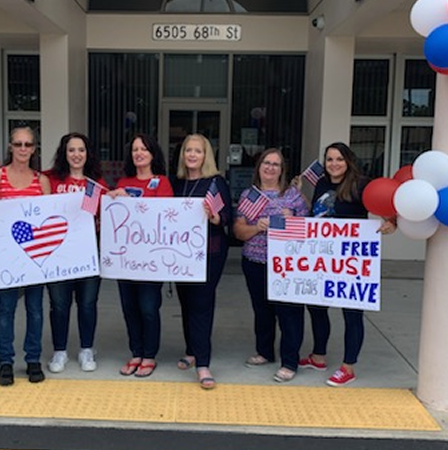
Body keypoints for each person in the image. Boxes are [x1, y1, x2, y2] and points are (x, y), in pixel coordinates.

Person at [296, 142, 396, 386]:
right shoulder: (322, 183)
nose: (334, 164)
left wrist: (391, 222)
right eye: (329, 159)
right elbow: (317, 214)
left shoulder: (361, 184)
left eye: (339, 159)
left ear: (348, 160)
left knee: (352, 313)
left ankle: (348, 367)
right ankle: (319, 355)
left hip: (350, 260)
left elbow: (383, 206)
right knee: (317, 307)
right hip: (322, 257)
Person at [0, 126, 52, 386]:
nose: (23, 149)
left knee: (35, 309)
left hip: (34, 256)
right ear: (10, 146)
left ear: (34, 149)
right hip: (6, 257)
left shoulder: (41, 181)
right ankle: (6, 362)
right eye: (18, 144)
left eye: (28, 145)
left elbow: (49, 217)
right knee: (6, 309)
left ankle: (33, 359)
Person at [233, 148, 309, 383]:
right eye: (266, 163)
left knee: (289, 313)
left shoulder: (293, 196)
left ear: (282, 170)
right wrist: (257, 227)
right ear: (259, 167)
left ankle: (289, 361)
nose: (270, 167)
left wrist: (292, 218)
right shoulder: (249, 195)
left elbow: (308, 229)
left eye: (276, 164)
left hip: (286, 264)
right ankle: (265, 351)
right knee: (262, 311)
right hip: (255, 262)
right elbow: (238, 231)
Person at [107, 134, 174, 378]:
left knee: (148, 308)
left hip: (151, 261)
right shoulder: (123, 181)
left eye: (144, 149)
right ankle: (136, 352)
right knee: (129, 307)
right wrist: (114, 198)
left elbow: (163, 216)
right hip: (126, 259)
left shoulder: (162, 182)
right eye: (135, 149)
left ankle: (149, 355)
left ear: (153, 154)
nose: (139, 153)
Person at [171, 134, 231, 390]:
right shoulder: (176, 182)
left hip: (210, 253)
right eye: (188, 150)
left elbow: (228, 216)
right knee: (186, 301)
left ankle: (203, 364)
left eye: (198, 151)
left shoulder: (216, 183)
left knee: (202, 303)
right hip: (180, 253)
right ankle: (191, 349)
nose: (192, 155)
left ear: (206, 155)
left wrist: (215, 217)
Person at [45, 132, 108, 374]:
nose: (76, 155)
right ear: (64, 153)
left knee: (88, 304)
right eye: (71, 150)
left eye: (81, 150)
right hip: (57, 254)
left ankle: (86, 349)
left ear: (87, 153)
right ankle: (59, 350)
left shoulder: (96, 183)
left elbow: (107, 215)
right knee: (59, 305)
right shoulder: (50, 179)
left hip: (88, 254)